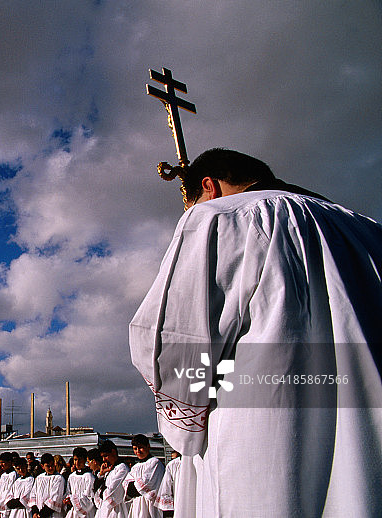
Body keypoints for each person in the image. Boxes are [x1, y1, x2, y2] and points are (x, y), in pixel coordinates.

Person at [130, 148, 382, 516]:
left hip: (266, 438)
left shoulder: (220, 216)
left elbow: (174, 340)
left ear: (209, 186)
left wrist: (186, 425)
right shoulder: (366, 227)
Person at [121, 435, 163, 518]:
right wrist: (135, 485)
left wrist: (135, 484)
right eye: (135, 449)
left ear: (148, 446)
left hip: (150, 504)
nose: (138, 451)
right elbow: (127, 487)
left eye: (140, 447)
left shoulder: (154, 463)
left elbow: (146, 484)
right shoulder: (135, 467)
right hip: (137, 504)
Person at [93, 440, 130, 518]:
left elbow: (113, 490)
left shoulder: (122, 468)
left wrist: (103, 492)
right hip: (104, 510)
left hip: (117, 511)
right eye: (102, 457)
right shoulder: (110, 470)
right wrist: (102, 474)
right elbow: (96, 490)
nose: (103, 460)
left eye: (105, 456)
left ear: (113, 452)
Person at [29, 453, 65, 518]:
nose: (51, 468)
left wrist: (41, 514)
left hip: (52, 514)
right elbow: (33, 495)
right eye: (48, 466)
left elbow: (55, 498)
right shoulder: (39, 478)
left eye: (52, 465)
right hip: (39, 513)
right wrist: (35, 512)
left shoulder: (58, 478)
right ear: (42, 466)